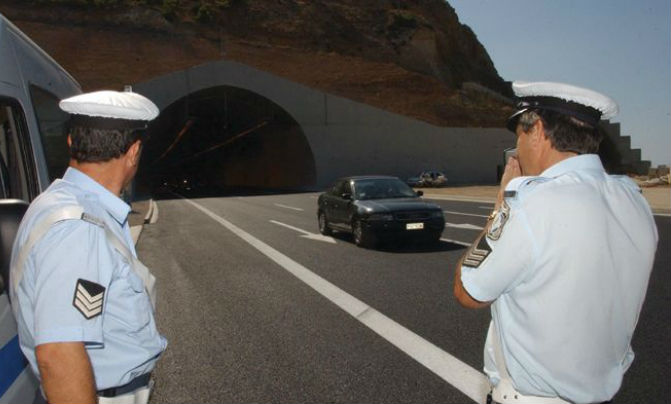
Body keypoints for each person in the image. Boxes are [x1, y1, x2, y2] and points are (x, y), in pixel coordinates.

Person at [453, 81, 658, 404]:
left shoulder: (530, 204)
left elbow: (468, 291)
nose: (517, 149)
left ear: (536, 130)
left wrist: (500, 208)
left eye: (518, 137)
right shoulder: (635, 202)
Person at [9, 88, 167, 404]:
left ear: (71, 141)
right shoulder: (78, 228)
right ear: (134, 151)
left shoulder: (58, 203)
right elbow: (58, 353)